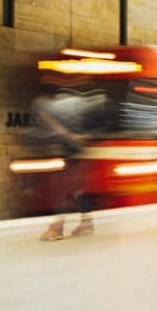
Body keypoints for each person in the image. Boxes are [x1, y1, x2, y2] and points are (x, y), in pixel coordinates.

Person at [31, 90, 99, 241]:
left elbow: (58, 131)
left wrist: (68, 136)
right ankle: (86, 223)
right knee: (75, 189)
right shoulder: (74, 109)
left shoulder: (48, 109)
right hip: (73, 151)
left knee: (60, 188)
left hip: (67, 151)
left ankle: (58, 227)